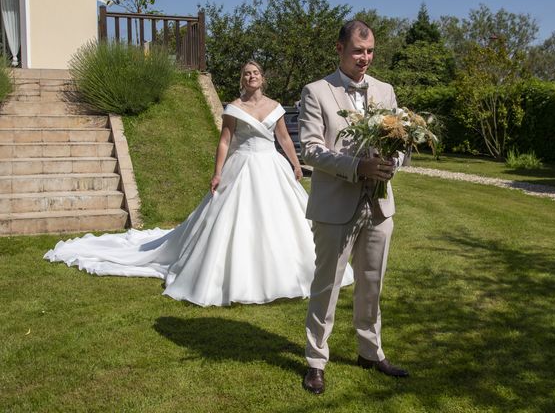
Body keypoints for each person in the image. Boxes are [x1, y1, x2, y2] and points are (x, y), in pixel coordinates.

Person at [44, 60, 354, 307]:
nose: (251, 76)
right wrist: (217, 172)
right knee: (235, 221)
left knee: (284, 219)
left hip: (272, 166)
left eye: (255, 72)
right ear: (241, 80)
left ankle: (298, 272)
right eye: (246, 73)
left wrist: (296, 163)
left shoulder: (274, 107)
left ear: (263, 78)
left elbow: (284, 138)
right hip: (242, 166)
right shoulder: (233, 108)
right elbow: (224, 142)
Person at [298, 20, 408, 394]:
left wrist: (396, 162)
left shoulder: (386, 90)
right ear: (339, 49)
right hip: (335, 205)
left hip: (379, 207)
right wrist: (356, 167)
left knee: (372, 284)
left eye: (370, 51)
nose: (365, 58)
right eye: (359, 51)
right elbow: (311, 149)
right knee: (327, 285)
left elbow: (400, 138)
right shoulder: (316, 91)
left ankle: (370, 351)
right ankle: (316, 361)